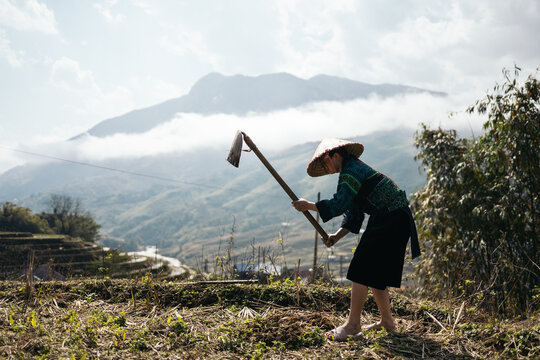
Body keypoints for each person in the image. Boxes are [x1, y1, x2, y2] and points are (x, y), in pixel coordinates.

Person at [291, 138, 420, 341]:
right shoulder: (351, 172)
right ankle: (387, 322)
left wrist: (309, 205)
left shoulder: (351, 171)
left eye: (326, 164)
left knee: (360, 267)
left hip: (392, 217)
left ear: (335, 156)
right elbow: (354, 215)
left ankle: (352, 325)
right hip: (390, 217)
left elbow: (338, 204)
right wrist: (336, 236)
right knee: (374, 273)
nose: (327, 169)